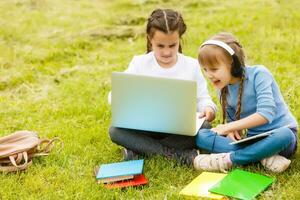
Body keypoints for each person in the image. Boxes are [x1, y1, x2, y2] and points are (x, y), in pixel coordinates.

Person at [108, 8, 217, 166]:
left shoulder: (191, 65)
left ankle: (139, 150)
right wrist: (124, 98)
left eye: (172, 45)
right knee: (115, 130)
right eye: (160, 46)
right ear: (150, 40)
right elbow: (115, 96)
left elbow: (203, 98)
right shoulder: (140, 63)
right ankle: (177, 155)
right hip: (144, 126)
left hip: (179, 129)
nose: (167, 52)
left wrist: (209, 109)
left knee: (205, 128)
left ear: (179, 39)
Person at [193, 32, 298, 173]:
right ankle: (263, 156)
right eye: (205, 69)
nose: (209, 75)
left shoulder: (259, 74)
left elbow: (266, 114)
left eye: (214, 69)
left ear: (232, 63)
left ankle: (228, 160)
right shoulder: (222, 88)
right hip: (252, 140)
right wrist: (232, 131)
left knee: (286, 134)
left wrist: (228, 127)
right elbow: (234, 124)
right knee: (201, 136)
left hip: (279, 138)